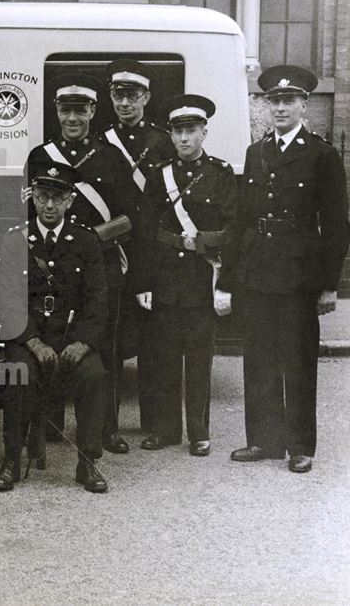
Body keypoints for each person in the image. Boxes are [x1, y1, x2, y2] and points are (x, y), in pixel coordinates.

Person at [224, 65, 349, 473]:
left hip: (299, 276)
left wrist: (329, 285)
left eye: (288, 100)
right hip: (258, 272)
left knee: (296, 360)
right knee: (258, 358)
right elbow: (242, 219)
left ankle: (300, 445)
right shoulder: (256, 153)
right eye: (273, 101)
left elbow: (335, 224)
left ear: (303, 105)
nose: (279, 108)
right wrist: (231, 277)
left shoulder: (321, 154)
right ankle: (263, 441)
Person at [27, 74, 139, 454]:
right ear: (57, 112)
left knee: (103, 347)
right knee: (53, 336)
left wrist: (91, 240)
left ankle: (105, 429)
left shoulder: (110, 156)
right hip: (52, 265)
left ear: (93, 111)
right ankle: (51, 423)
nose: (73, 117)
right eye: (66, 109)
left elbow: (128, 216)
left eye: (81, 109)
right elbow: (32, 212)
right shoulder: (41, 156)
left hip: (99, 263)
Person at [0, 155, 109, 493]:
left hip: (73, 337)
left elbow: (98, 300)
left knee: (93, 375)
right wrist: (33, 342)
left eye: (57, 198)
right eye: (42, 196)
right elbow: (8, 300)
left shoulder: (86, 242)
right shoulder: (15, 240)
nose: (49, 205)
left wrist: (82, 343)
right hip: (29, 337)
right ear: (32, 196)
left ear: (70, 200)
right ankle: (11, 459)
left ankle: (87, 462)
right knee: (20, 376)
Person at [131, 95, 237, 456]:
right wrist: (143, 282)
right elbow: (145, 232)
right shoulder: (158, 174)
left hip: (200, 279)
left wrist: (223, 282)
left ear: (204, 132)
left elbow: (233, 230)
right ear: (171, 135)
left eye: (191, 130)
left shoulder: (221, 174)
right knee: (164, 358)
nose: (184, 138)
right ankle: (166, 429)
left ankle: (199, 431)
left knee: (198, 360)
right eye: (178, 131)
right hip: (164, 278)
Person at [101, 59, 175, 432]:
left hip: (153, 252)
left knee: (152, 340)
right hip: (115, 250)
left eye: (132, 95)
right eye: (118, 95)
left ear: (146, 97)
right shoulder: (102, 140)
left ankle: (154, 424)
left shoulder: (163, 140)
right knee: (112, 337)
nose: (125, 103)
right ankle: (108, 424)